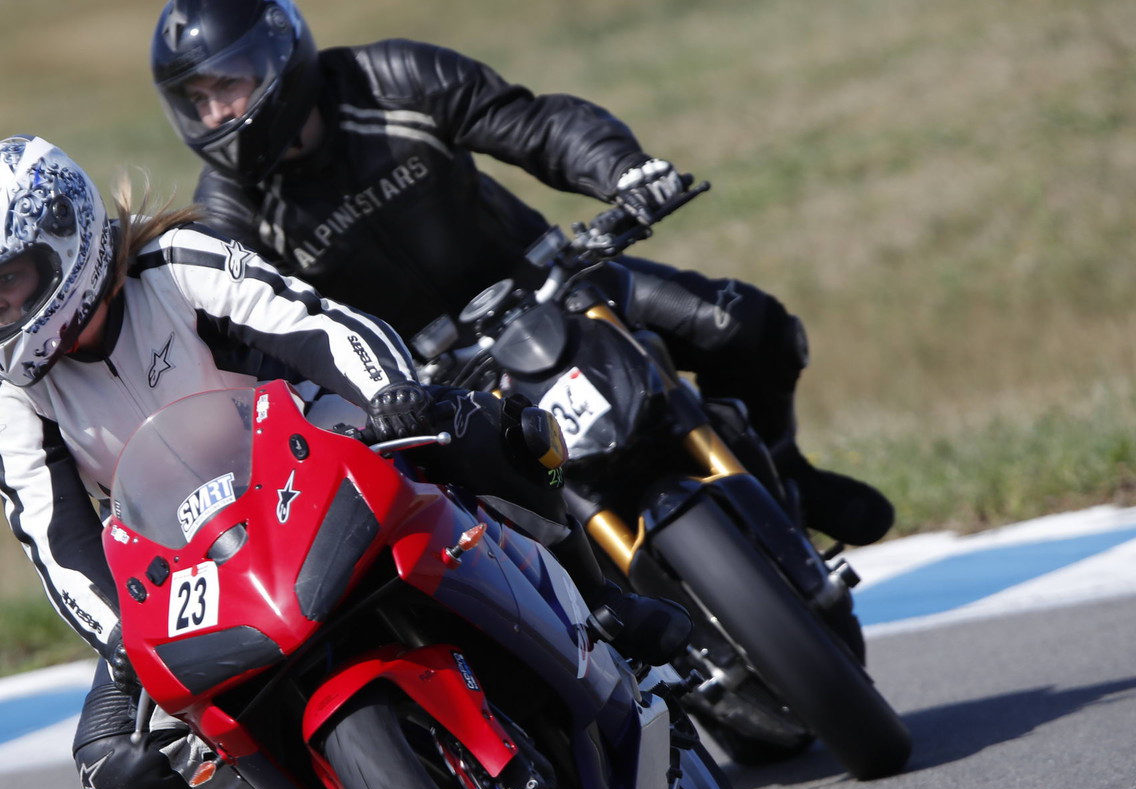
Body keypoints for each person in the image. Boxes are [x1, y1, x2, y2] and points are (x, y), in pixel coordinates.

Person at [0, 135, 690, 789]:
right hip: (189, 551)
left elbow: (317, 325)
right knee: (119, 782)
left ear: (68, 242)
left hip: (313, 449)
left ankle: (605, 607)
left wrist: (389, 395)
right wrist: (119, 635)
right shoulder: (2, 393)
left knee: (496, 430)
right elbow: (54, 540)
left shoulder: (175, 264)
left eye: (9, 281)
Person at [149, 0, 896, 547]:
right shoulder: (230, 212)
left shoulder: (391, 79)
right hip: (429, 385)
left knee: (746, 324)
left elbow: (532, 124)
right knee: (498, 543)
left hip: (551, 288)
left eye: (227, 85)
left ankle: (787, 475)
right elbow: (252, 332)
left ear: (279, 56)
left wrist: (624, 170)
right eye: (198, 99)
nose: (215, 113)